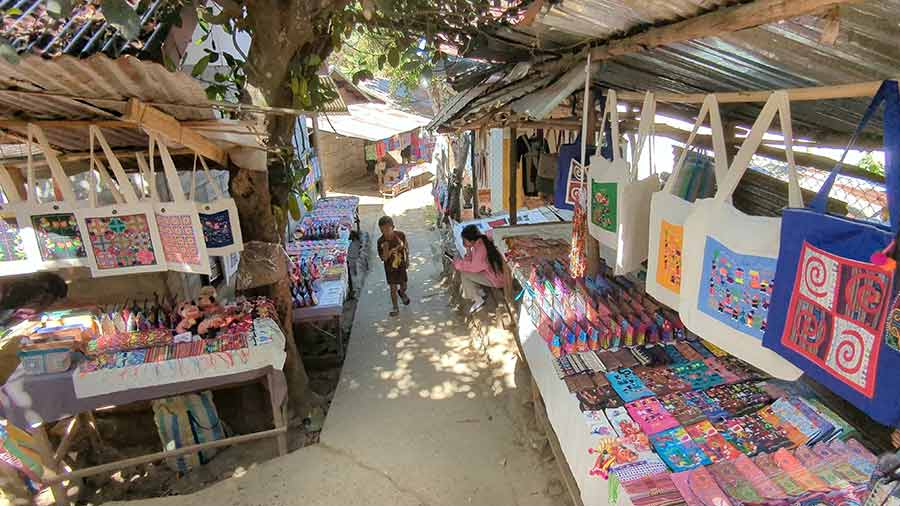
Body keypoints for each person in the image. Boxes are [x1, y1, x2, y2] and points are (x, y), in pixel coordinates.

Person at [454, 224, 505, 313]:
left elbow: (474, 267)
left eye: (464, 240)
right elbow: (471, 262)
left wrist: (458, 263)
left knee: (464, 273)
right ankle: (478, 292)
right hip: (493, 274)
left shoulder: (480, 248)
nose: (463, 242)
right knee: (465, 270)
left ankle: (477, 299)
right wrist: (468, 249)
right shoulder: (479, 243)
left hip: (497, 280)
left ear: (472, 240)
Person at [377, 215, 410, 316]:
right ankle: (395, 308)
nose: (385, 232)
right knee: (393, 288)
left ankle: (402, 292)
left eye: (387, 229)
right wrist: (389, 250)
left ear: (393, 227)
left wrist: (408, 259)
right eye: (382, 230)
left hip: (401, 265)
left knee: (404, 285)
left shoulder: (400, 235)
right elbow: (384, 258)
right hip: (390, 268)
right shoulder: (381, 241)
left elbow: (406, 247)